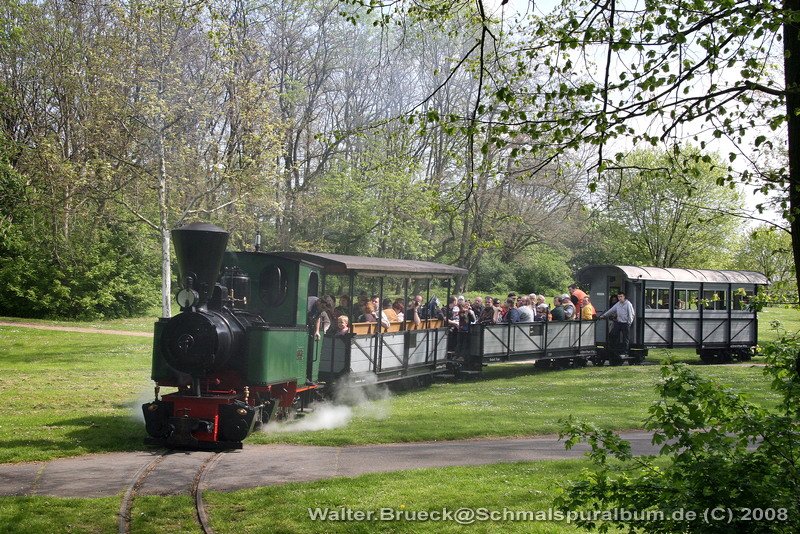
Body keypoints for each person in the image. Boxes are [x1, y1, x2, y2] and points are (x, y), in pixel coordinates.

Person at [600, 291, 636, 357]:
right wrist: (604, 315)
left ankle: (625, 352)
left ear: (624, 297)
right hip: (619, 322)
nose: (620, 298)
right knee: (612, 334)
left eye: (621, 296)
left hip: (625, 323)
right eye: (618, 297)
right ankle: (614, 349)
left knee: (625, 338)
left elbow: (631, 314)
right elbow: (611, 310)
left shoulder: (628, 304)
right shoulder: (618, 304)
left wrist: (629, 323)